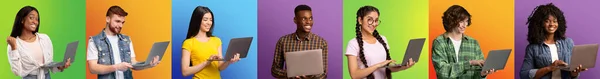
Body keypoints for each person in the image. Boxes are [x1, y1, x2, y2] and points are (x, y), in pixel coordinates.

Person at [86, 5, 159, 79]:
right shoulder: (94, 41)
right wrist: (116, 67)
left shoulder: (126, 40)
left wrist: (149, 64)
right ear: (108, 19)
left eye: (122, 22)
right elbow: (93, 68)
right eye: (117, 21)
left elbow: (133, 64)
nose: (120, 25)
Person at [345, 5, 415, 79]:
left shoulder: (382, 39)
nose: (374, 24)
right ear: (360, 20)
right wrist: (378, 65)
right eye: (370, 20)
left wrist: (404, 67)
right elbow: (354, 75)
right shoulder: (353, 44)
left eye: (376, 20)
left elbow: (386, 69)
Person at [519, 3, 587, 79]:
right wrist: (550, 68)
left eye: (555, 21)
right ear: (540, 23)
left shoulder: (568, 43)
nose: (552, 24)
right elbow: (524, 75)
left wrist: (575, 73)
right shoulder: (533, 48)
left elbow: (573, 75)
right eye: (547, 21)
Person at [431, 5, 495, 79]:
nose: (465, 25)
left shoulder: (473, 43)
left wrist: (482, 74)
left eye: (466, 21)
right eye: (461, 21)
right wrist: (470, 63)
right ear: (451, 21)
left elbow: (477, 75)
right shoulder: (439, 42)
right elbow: (442, 72)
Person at [7, 6, 71, 79]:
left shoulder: (44, 39)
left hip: (46, 76)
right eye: (31, 18)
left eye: (37, 19)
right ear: (22, 20)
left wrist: (61, 66)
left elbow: (49, 63)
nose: (35, 22)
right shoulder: (14, 44)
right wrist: (14, 48)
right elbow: (17, 72)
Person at [179, 6, 241, 79]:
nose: (209, 23)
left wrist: (229, 61)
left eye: (211, 20)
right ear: (197, 21)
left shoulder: (216, 40)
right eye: (205, 20)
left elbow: (220, 67)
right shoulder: (188, 43)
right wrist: (207, 62)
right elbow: (185, 71)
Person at [270, 4, 328, 79]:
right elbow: (274, 70)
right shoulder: (283, 41)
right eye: (304, 19)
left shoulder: (321, 42)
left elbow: (324, 73)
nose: (308, 22)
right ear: (295, 20)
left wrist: (312, 76)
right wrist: (291, 74)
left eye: (310, 18)